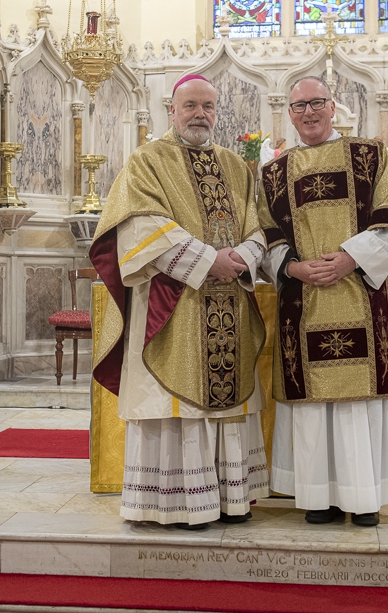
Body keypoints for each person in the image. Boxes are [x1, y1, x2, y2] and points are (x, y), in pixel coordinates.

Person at [257, 76, 388, 527]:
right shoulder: (272, 173)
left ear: (333, 108)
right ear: (289, 114)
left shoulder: (370, 155)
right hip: (304, 300)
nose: (309, 112)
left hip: (363, 295)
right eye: (299, 106)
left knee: (359, 401)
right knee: (312, 403)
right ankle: (318, 496)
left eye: (317, 103)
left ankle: (365, 497)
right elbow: (265, 232)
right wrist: (293, 268)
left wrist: (349, 258)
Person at [90, 74, 269, 530]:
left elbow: (258, 227)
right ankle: (179, 505)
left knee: (224, 402)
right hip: (173, 304)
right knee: (177, 405)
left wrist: (242, 258)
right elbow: (140, 226)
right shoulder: (147, 160)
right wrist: (210, 261)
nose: (200, 114)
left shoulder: (236, 166)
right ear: (172, 110)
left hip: (229, 303)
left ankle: (229, 500)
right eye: (190, 105)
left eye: (208, 106)